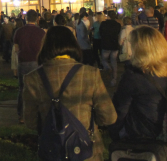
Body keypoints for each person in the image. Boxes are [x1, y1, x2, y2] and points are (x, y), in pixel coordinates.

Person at [22, 26, 117, 161]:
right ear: (73, 44)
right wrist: (90, 122)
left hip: (53, 151)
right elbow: (109, 117)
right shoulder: (90, 74)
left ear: (45, 46)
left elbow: (30, 122)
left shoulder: (33, 78)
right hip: (87, 152)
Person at [109, 26, 167, 144]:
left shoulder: (133, 77)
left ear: (140, 51)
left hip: (141, 136)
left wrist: (114, 134)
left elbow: (119, 111)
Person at [11, 10, 45, 123]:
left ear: (25, 18)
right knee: (37, 88)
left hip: (23, 62)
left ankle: (21, 115)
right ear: (36, 19)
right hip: (37, 62)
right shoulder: (41, 32)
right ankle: (37, 113)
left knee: (22, 88)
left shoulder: (19, 31)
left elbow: (16, 49)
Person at [99, 11, 122, 86]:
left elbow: (100, 33)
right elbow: (118, 33)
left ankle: (108, 68)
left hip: (105, 44)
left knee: (104, 59)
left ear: (108, 16)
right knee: (114, 61)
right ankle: (114, 79)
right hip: (114, 45)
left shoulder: (103, 24)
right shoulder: (118, 25)